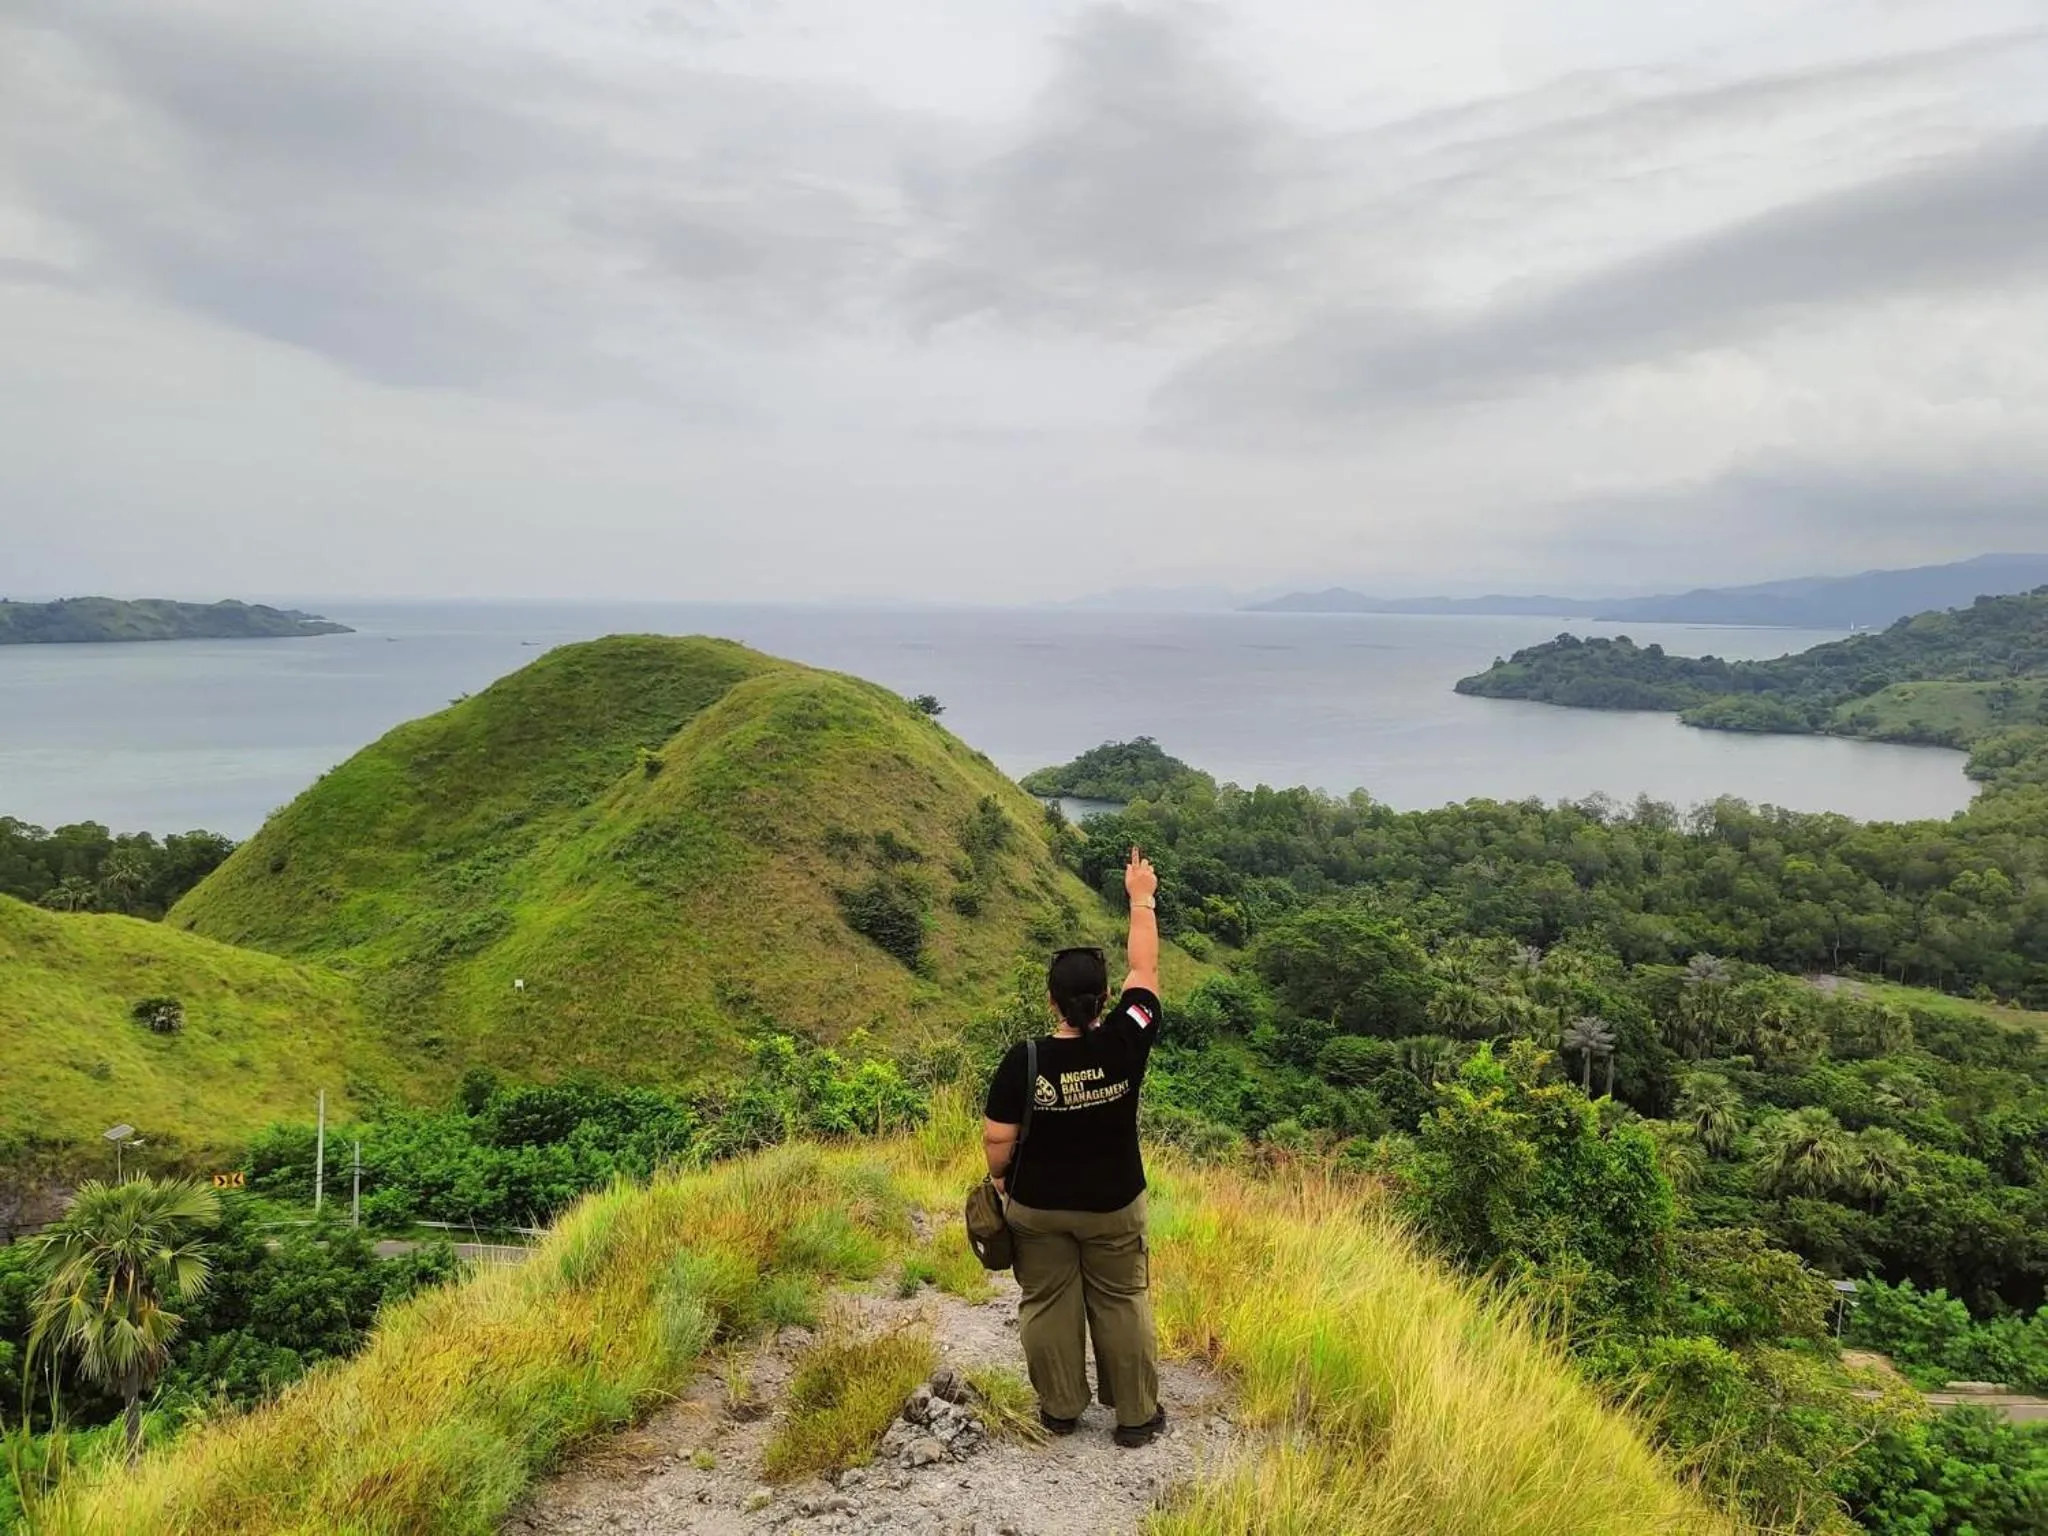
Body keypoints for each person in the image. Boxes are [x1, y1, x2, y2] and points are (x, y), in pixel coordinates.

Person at [981, 846, 1165, 1446]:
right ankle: (1135, 1418)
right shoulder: (1127, 1039)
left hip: (1038, 1206)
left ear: (1051, 1002)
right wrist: (1141, 897)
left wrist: (1003, 1182)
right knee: (1122, 1301)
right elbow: (1146, 972)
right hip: (1114, 1204)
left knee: (1047, 1302)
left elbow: (997, 1137)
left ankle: (1060, 1411)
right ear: (1107, 998)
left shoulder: (1026, 1058)